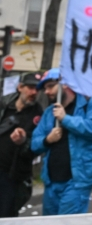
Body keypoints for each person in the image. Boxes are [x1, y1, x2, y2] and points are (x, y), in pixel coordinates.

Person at [31, 68, 92, 216]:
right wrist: (47, 140)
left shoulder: (89, 104)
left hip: (77, 180)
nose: (46, 92)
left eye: (50, 86)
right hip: (52, 180)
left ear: (65, 84)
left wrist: (66, 119)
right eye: (45, 88)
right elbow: (34, 142)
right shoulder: (49, 112)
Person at [0, 72, 44, 218]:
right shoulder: (4, 105)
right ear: (20, 87)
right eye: (30, 88)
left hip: (13, 175)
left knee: (6, 215)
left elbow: (36, 147)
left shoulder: (38, 114)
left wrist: (24, 141)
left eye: (37, 89)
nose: (34, 92)